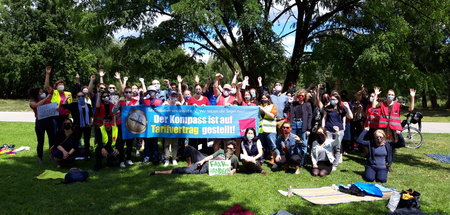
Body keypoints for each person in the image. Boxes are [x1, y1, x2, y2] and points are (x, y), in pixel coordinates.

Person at [150, 140, 239, 176]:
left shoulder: (234, 158)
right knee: (189, 149)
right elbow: (211, 156)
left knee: (187, 171)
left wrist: (232, 171)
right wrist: (203, 161)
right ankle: (158, 172)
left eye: (231, 148)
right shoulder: (221, 151)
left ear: (234, 149)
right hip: (205, 163)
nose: (228, 149)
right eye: (227, 147)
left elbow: (235, 168)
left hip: (207, 169)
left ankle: (158, 172)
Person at [320, 92, 353, 171]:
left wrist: (348, 107)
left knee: (337, 148)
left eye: (334, 99)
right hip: (328, 130)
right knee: (328, 147)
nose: (332, 100)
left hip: (339, 131)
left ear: (338, 100)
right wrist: (323, 128)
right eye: (331, 99)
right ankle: (328, 161)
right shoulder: (327, 108)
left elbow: (350, 117)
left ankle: (335, 164)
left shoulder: (342, 108)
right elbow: (324, 118)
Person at [283, 88, 312, 168]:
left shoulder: (308, 104)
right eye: (299, 95)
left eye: (302, 95)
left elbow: (310, 117)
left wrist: (308, 129)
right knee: (293, 143)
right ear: (297, 96)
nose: (301, 97)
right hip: (293, 124)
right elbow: (285, 110)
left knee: (303, 144)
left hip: (303, 125)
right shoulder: (293, 104)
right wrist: (289, 103)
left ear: (305, 96)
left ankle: (302, 163)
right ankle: (293, 162)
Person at [61, 91, 93, 159]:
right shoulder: (74, 105)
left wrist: (91, 123)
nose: (80, 97)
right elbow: (63, 106)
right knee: (76, 141)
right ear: (77, 97)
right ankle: (75, 153)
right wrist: (66, 98)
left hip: (87, 126)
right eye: (79, 96)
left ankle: (87, 154)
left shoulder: (88, 105)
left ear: (85, 97)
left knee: (87, 141)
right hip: (77, 126)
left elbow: (91, 115)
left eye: (82, 96)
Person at [44, 66, 72, 134]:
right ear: (56, 86)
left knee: (65, 132)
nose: (61, 85)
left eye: (62, 84)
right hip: (55, 116)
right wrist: (47, 74)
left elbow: (71, 105)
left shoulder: (68, 93)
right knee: (56, 132)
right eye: (59, 84)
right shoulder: (54, 92)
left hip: (65, 116)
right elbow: (47, 86)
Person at [29, 88, 54, 163]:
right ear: (36, 93)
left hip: (49, 121)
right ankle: (40, 158)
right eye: (40, 92)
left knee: (52, 140)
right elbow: (36, 105)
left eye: (42, 91)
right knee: (40, 141)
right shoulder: (32, 101)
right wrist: (46, 98)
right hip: (40, 122)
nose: (42, 92)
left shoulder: (47, 100)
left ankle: (52, 156)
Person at [142, 85, 163, 164]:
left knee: (154, 142)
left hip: (155, 125)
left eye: (153, 91)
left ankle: (155, 157)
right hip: (146, 125)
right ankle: (147, 157)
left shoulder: (159, 101)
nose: (151, 92)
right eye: (150, 91)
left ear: (156, 92)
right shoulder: (145, 101)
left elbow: (162, 111)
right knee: (147, 142)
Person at [258, 93, 277, 164]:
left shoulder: (272, 106)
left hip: (270, 129)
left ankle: (274, 159)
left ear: (268, 99)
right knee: (261, 145)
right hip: (260, 129)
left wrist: (263, 109)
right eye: (262, 98)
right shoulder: (258, 106)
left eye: (265, 98)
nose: (264, 99)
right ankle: (261, 159)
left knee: (272, 145)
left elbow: (272, 116)